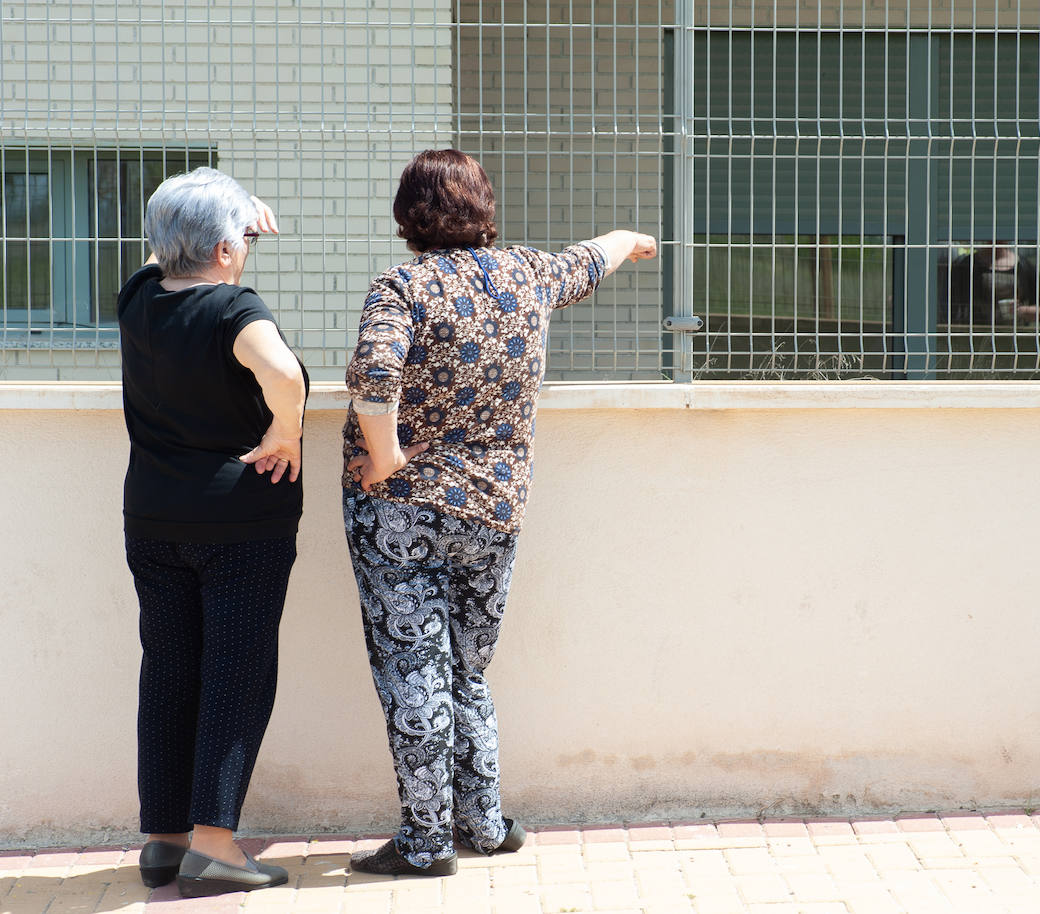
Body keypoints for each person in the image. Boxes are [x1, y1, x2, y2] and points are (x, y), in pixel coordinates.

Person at [342, 149, 656, 876]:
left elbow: (376, 372)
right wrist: (633, 241)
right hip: (494, 510)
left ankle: (425, 843)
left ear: (407, 215)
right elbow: (592, 257)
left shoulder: (403, 285)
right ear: (484, 208)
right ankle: (482, 823)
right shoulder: (527, 274)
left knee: (414, 668)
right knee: (467, 667)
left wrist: (385, 457)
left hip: (402, 512)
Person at [119, 167, 308, 897]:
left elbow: (165, 253)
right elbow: (283, 375)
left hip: (154, 519)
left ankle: (164, 841)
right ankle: (215, 847)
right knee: (236, 674)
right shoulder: (236, 309)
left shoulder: (140, 298)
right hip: (240, 523)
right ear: (228, 249)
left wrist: (220, 219)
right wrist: (284, 434)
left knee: (169, 671)